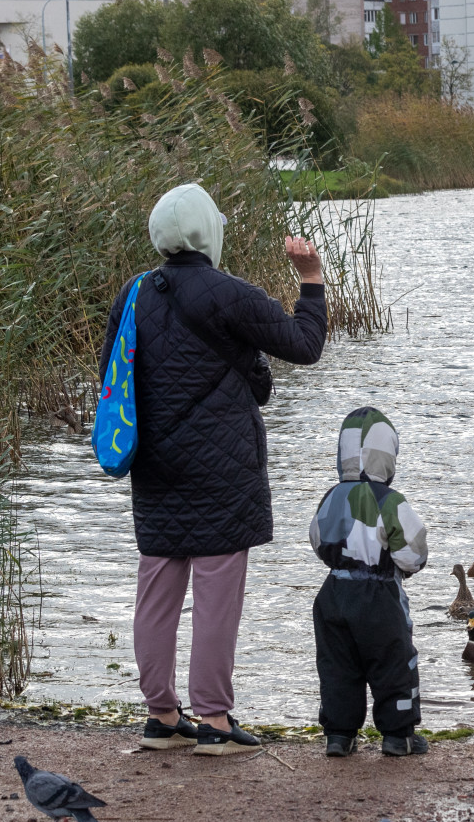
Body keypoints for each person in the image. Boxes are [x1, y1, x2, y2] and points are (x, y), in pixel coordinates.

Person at [100, 182, 327, 755]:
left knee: (157, 588)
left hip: (154, 463)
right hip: (222, 466)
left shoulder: (133, 295)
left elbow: (115, 375)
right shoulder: (229, 293)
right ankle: (215, 722)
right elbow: (305, 345)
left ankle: (161, 717)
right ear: (209, 230)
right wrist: (311, 280)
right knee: (216, 593)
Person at [308, 406, 429, 757]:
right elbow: (413, 552)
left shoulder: (330, 497)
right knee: (394, 662)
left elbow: (317, 540)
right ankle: (397, 735)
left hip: (334, 593)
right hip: (379, 593)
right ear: (388, 455)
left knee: (337, 666)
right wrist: (395, 565)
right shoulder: (391, 501)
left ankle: (339, 736)